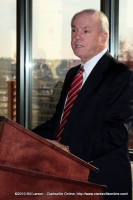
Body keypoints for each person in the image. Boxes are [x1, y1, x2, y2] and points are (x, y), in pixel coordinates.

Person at [32, 9, 133, 199]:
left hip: (102, 182)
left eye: (85, 31)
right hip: (66, 176)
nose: (77, 36)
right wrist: (24, 137)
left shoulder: (121, 76)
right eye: (73, 30)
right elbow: (59, 123)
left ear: (104, 37)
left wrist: (69, 151)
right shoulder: (72, 74)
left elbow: (117, 133)